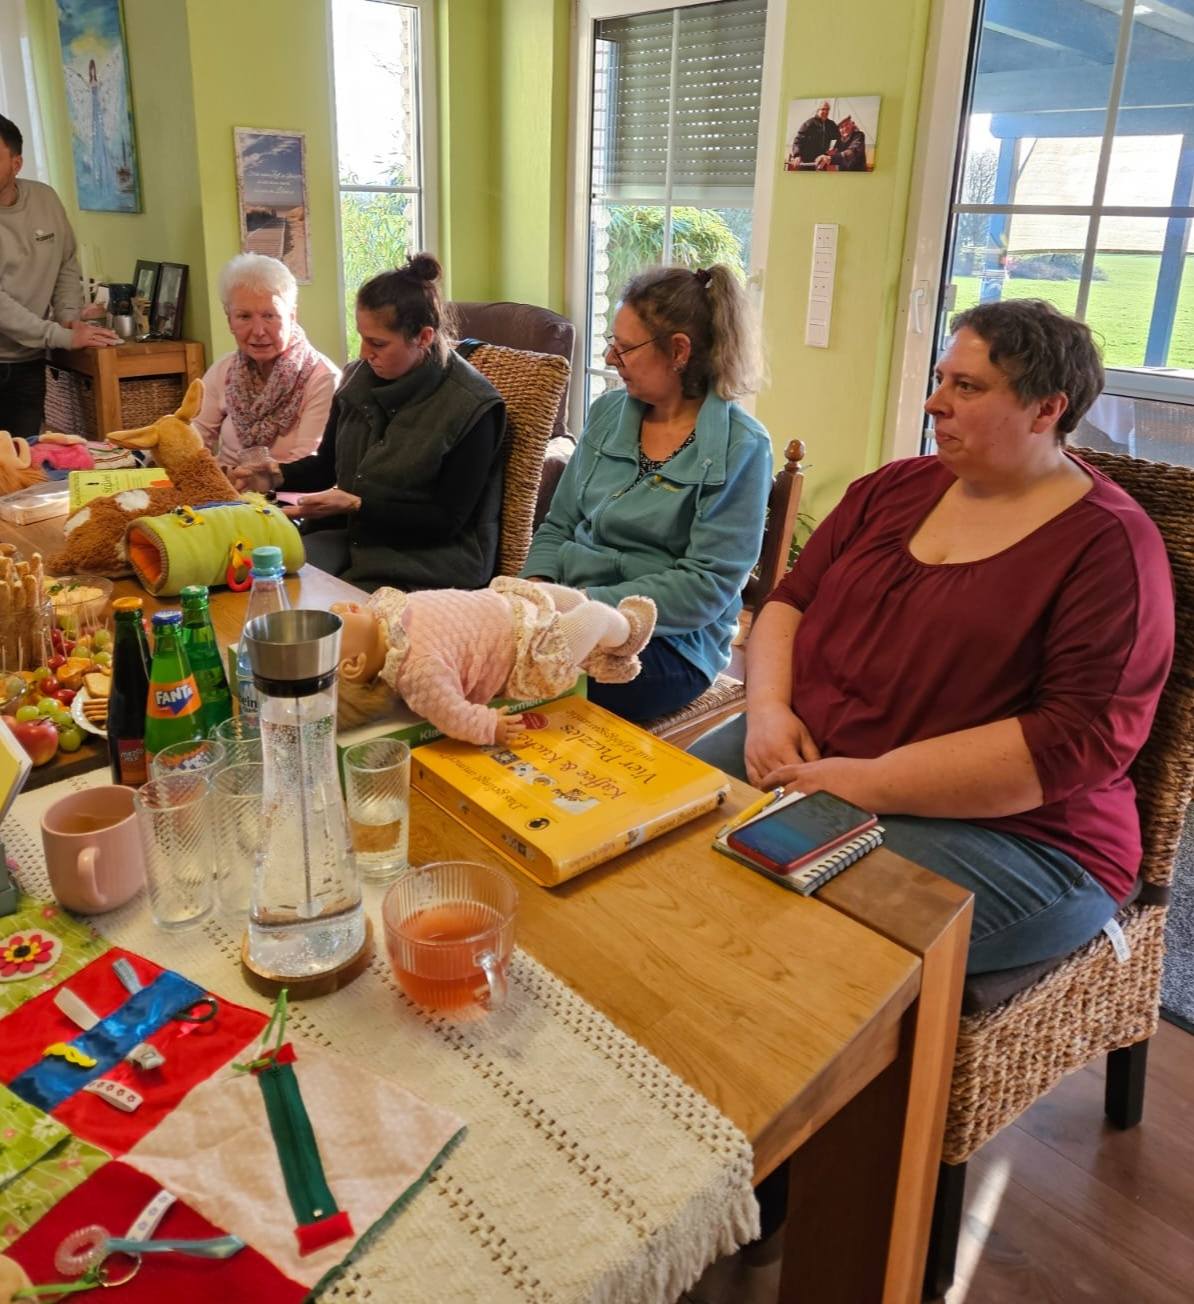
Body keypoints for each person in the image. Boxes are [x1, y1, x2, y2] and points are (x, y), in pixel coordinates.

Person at [695, 298, 1174, 978]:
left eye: (966, 387)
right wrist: (768, 709)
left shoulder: (1109, 549)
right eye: (941, 380)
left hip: (1021, 835)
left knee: (777, 925)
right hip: (821, 761)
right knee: (660, 826)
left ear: (1047, 410)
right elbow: (789, 603)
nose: (933, 403)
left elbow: (1073, 740)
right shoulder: (891, 489)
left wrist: (868, 783)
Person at [521, 264, 772, 722]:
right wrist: (536, 592)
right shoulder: (607, 412)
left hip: (669, 644)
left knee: (522, 682)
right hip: (569, 611)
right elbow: (557, 525)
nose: (612, 358)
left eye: (625, 347)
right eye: (611, 343)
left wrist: (583, 609)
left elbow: (705, 587)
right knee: (474, 644)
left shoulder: (742, 447)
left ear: (679, 351)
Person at [229, 253, 506, 592]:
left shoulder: (473, 407)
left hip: (431, 562)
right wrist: (276, 473)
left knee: (293, 597)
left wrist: (359, 505)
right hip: (356, 541)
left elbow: (446, 522)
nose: (363, 352)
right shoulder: (359, 378)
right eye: (361, 336)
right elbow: (328, 466)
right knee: (251, 574)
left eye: (377, 343)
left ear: (424, 337)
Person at [330, 579, 656, 744]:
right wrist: (489, 727)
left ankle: (598, 657)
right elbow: (452, 714)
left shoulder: (385, 613)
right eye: (336, 620)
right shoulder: (417, 671)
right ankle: (627, 636)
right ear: (353, 665)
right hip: (528, 651)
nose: (340, 607)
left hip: (513, 606)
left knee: (572, 598)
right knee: (594, 615)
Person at [0, 114, 117, 441]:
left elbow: (65, 261)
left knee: (22, 468)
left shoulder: (44, 199)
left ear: (16, 162)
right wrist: (58, 335)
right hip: (27, 346)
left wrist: (68, 316)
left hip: (27, 362)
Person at [192, 253, 340, 469]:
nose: (258, 331)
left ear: (292, 316)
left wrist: (243, 481)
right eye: (244, 316)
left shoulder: (322, 378)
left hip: (289, 494)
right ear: (229, 320)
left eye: (270, 315)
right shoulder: (224, 370)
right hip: (225, 491)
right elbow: (195, 440)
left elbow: (310, 468)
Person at [790, 101, 837, 167]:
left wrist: (834, 149)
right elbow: (798, 140)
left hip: (822, 162)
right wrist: (797, 155)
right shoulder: (809, 124)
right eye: (823, 109)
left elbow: (839, 137)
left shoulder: (831, 125)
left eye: (827, 109)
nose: (826, 112)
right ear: (818, 110)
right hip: (807, 162)